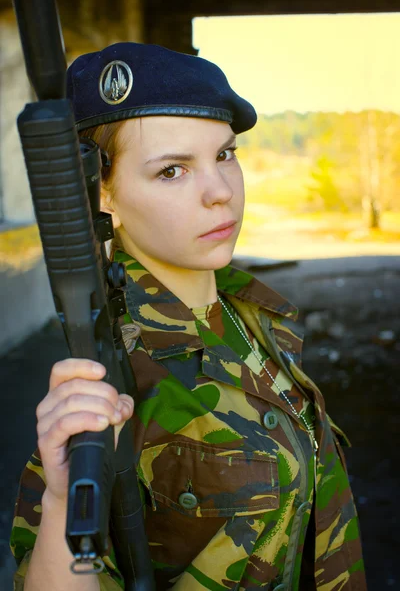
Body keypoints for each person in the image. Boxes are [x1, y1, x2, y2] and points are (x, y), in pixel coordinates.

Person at [10, 42, 367, 591]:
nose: (220, 193)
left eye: (224, 155)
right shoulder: (113, 376)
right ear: (102, 194)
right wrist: (61, 500)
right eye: (172, 171)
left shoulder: (247, 312)